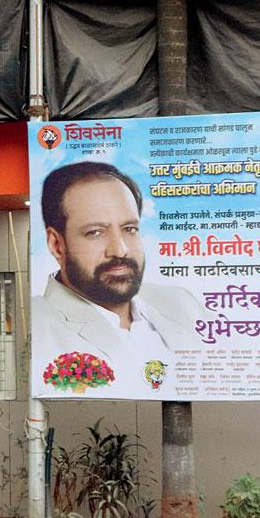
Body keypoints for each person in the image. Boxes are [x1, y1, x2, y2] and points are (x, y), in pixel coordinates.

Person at [31, 162, 206, 385]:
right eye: (95, 232)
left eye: (129, 229)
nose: (120, 250)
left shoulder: (182, 303)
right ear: (56, 244)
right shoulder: (39, 327)